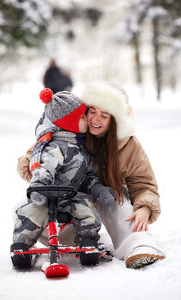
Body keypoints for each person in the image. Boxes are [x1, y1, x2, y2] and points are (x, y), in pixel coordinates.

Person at [17, 81, 165, 269]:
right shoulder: (69, 133)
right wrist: (53, 180)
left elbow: (144, 183)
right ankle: (41, 245)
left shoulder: (128, 145)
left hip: (105, 200)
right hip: (69, 203)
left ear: (115, 120)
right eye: (92, 111)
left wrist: (145, 207)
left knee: (118, 199)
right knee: (22, 208)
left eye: (104, 115)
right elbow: (28, 162)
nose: (95, 119)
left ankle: (137, 244)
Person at [11, 88, 115, 269]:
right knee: (32, 214)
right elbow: (45, 169)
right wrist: (39, 186)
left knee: (88, 210)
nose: (87, 121)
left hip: (71, 196)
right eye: (82, 117)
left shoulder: (81, 151)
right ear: (70, 123)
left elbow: (87, 177)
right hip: (46, 196)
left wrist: (98, 189)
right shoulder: (54, 148)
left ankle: (88, 242)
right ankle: (21, 246)